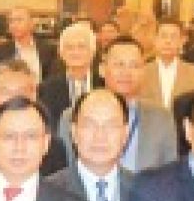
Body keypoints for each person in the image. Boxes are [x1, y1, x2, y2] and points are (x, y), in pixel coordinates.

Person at [61, 36, 177, 172]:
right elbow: (66, 170)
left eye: (134, 66)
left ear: (144, 71)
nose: (126, 72)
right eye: (119, 64)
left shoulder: (162, 118)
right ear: (102, 70)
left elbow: (170, 172)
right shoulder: (72, 115)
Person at [0, 58, 69, 175]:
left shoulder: (54, 147)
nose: (14, 97)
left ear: (34, 96)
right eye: (6, 91)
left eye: (21, 91)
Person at [39, 22, 97, 125]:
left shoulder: (105, 85)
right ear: (61, 53)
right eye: (69, 47)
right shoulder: (46, 89)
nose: (75, 52)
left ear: (93, 51)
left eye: (81, 46)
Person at [0, 6, 57, 83]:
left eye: (19, 20)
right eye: (11, 21)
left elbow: (55, 79)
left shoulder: (49, 50)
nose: (14, 25)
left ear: (31, 23)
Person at [140, 19, 194, 110]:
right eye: (163, 36)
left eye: (173, 37)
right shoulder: (142, 71)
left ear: (181, 41)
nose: (168, 41)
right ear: (155, 40)